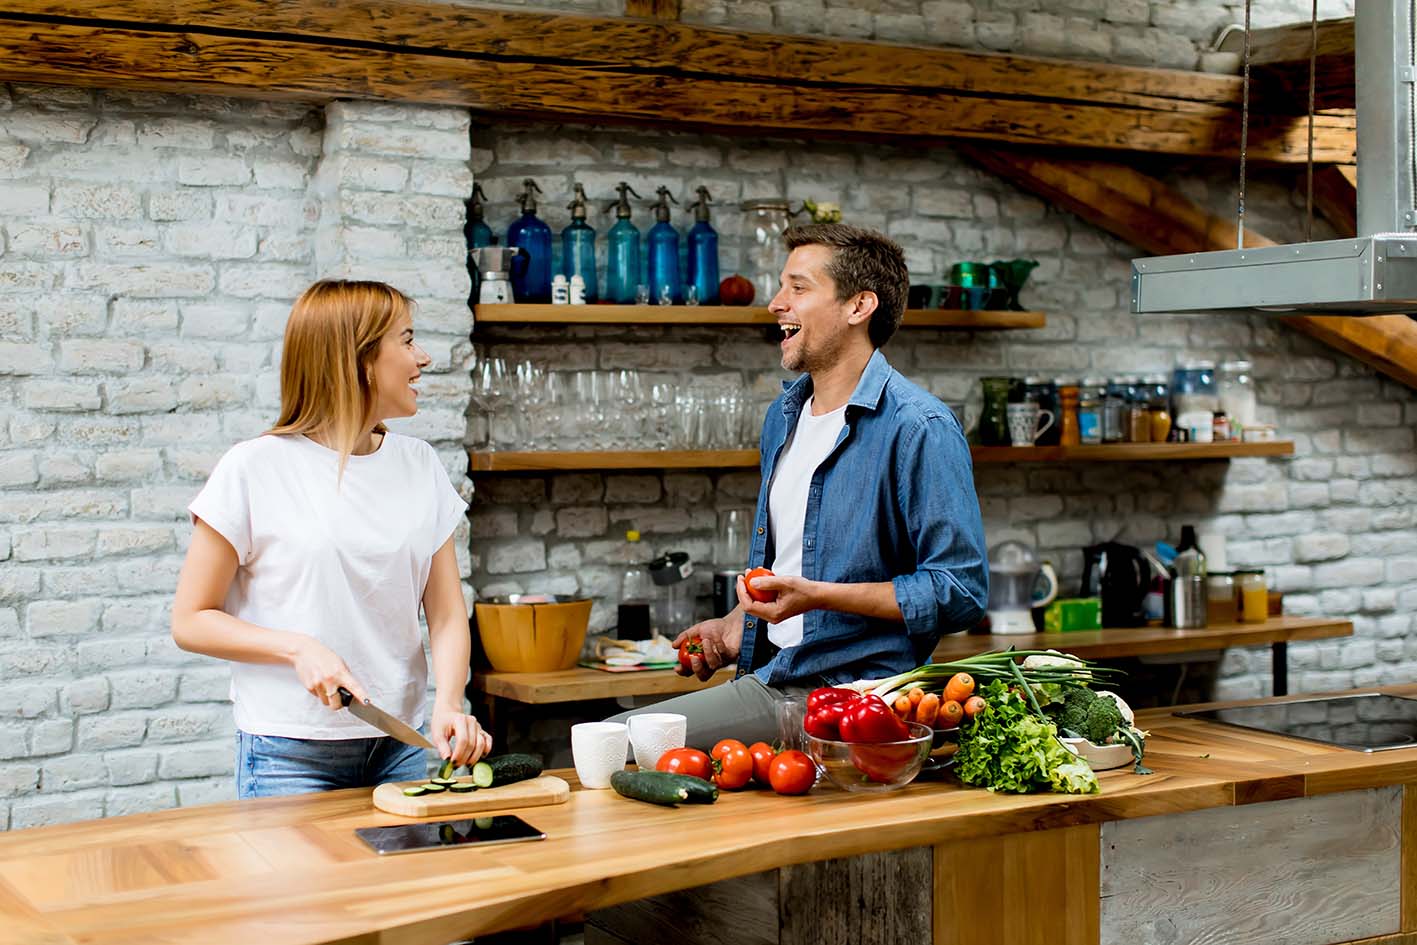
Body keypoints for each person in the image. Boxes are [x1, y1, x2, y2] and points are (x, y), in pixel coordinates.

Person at [609, 224, 988, 749]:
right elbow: (795, 567)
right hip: (773, 674)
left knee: (614, 742)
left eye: (799, 288)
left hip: (846, 695)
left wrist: (817, 598)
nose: (775, 303)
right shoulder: (784, 416)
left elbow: (960, 591)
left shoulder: (918, 427)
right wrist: (733, 625)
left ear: (859, 306)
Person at [172, 280, 491, 798]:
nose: (424, 357)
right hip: (288, 754)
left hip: (401, 746)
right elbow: (190, 621)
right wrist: (297, 648)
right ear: (360, 359)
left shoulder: (420, 465)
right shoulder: (254, 468)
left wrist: (450, 702)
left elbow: (448, 613)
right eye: (407, 341)